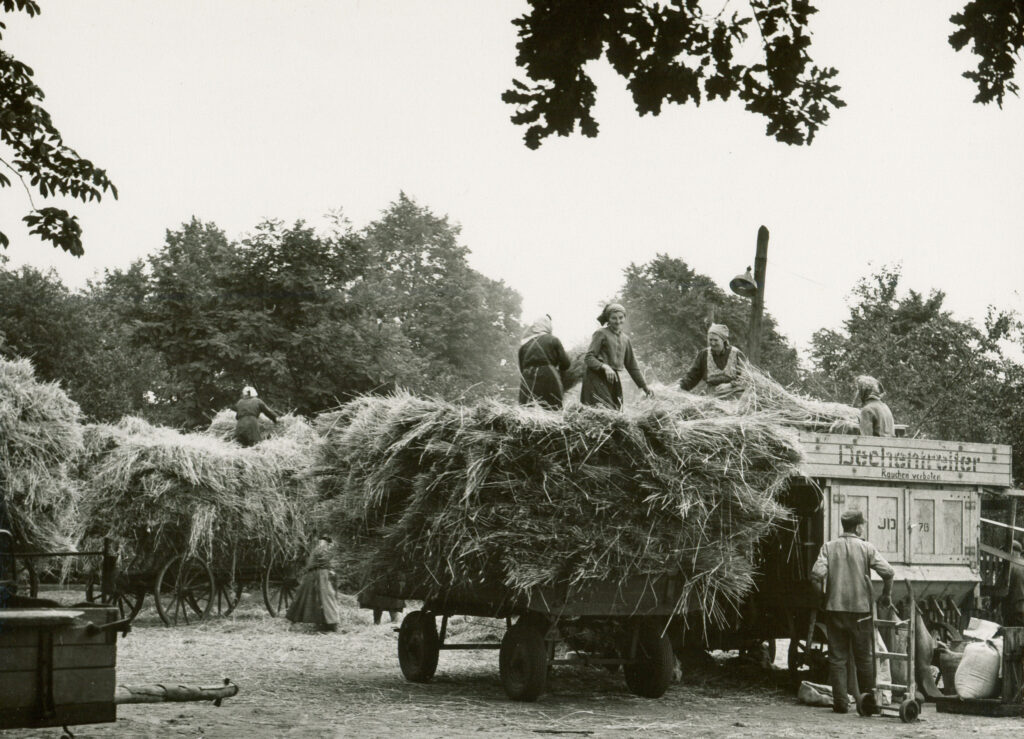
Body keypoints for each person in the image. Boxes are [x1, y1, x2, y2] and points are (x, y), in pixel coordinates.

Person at [810, 509, 895, 714]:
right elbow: (889, 572)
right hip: (861, 612)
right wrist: (886, 595)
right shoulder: (866, 548)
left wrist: (822, 598)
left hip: (835, 610)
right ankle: (868, 704)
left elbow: (815, 576)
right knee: (864, 658)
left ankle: (840, 703)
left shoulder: (829, 547)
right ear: (857, 527)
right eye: (862, 525)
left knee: (838, 659)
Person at [580, 303, 653, 410]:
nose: (618, 321)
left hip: (612, 379)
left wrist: (645, 387)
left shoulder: (625, 339)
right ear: (608, 319)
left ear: (625, 317)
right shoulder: (601, 333)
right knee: (603, 411)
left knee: (616, 411)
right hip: (596, 377)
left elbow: (632, 366)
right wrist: (605, 366)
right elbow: (589, 358)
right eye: (614, 318)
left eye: (621, 318)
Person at [286, 534, 341, 632]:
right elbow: (328, 563)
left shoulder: (317, 549)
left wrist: (306, 571)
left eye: (322, 541)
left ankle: (325, 623)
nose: (321, 543)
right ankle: (330, 624)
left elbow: (312, 563)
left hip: (315, 574)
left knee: (309, 597)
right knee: (326, 598)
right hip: (322, 574)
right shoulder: (326, 549)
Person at [679, 323, 746, 400]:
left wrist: (730, 385)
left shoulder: (736, 353)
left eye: (716, 340)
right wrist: (681, 385)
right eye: (710, 340)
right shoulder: (704, 354)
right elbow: (693, 375)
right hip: (712, 396)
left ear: (723, 340)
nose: (713, 343)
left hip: (734, 395)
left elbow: (745, 377)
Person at [518, 314, 572, 409]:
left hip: (528, 378)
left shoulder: (525, 345)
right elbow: (566, 364)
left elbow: (522, 368)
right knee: (551, 410)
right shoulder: (553, 340)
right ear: (548, 326)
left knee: (527, 411)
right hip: (548, 378)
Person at [1005, 539, 1024, 627]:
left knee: (1013, 637)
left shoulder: (1009, 567)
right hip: (1020, 610)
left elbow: (1001, 588)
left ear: (1012, 552)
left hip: (1014, 610)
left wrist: (991, 605)